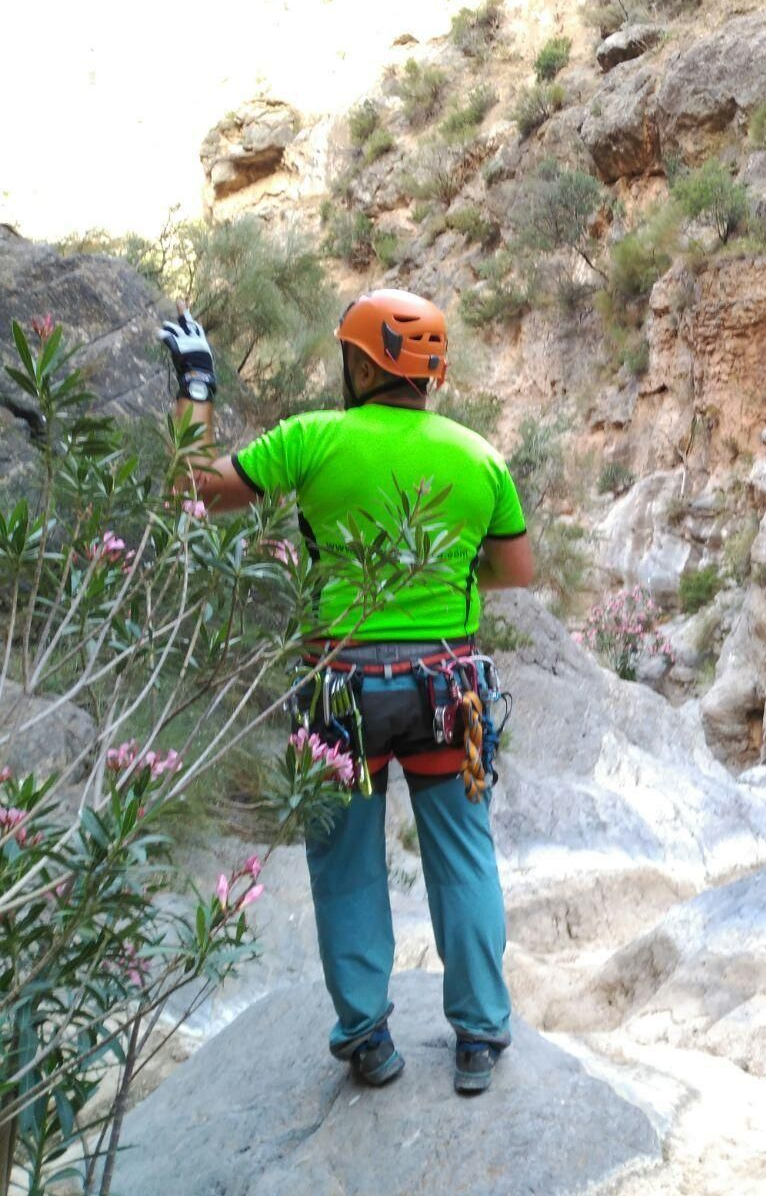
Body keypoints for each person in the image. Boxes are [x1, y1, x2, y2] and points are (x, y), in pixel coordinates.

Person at [158, 291, 533, 1093]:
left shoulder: (312, 438)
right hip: (445, 690)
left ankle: (367, 1038)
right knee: (463, 857)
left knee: (347, 864)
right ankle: (476, 1037)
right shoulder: (479, 457)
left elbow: (192, 491)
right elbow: (514, 572)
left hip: (340, 692)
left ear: (363, 363)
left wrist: (196, 387)